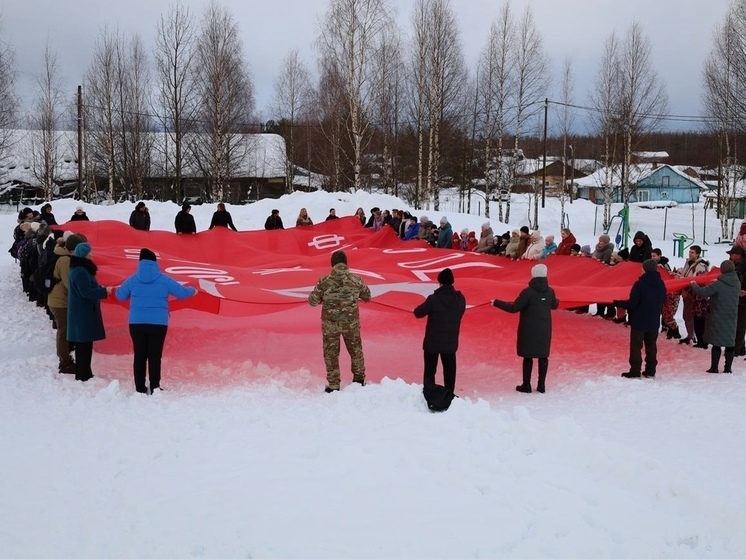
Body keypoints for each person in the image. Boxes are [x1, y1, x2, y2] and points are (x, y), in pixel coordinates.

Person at [115, 248, 197, 394]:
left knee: (139, 355)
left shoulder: (132, 279)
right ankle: (155, 387)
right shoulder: (164, 279)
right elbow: (182, 293)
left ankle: (139, 387)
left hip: (136, 323)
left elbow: (120, 296)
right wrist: (194, 290)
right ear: (155, 262)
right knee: (155, 355)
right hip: (158, 323)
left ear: (140, 262)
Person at [308, 250, 371, 392]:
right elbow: (367, 296)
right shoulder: (356, 280)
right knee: (355, 350)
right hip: (351, 323)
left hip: (330, 325)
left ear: (332, 264)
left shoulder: (324, 282)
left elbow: (312, 301)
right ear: (346, 263)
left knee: (331, 353)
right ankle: (359, 379)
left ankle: (334, 384)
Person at [491, 264, 559, 393]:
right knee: (543, 356)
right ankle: (541, 385)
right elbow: (554, 305)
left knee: (528, 356)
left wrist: (496, 302)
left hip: (529, 329)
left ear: (533, 275)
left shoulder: (527, 292)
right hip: (544, 328)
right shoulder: (550, 291)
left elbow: (513, 308)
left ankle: (526, 385)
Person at [413, 268, 466, 395]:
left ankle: (429, 393)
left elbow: (418, 313)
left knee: (430, 370)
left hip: (432, 343)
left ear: (440, 282)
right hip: (450, 343)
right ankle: (449, 394)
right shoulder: (460, 299)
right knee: (449, 370)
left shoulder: (433, 299)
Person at [614, 259, 667, 379]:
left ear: (644, 269)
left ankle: (635, 370)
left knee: (636, 347)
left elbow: (632, 303)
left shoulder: (640, 284)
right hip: (654, 320)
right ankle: (650, 370)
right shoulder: (661, 284)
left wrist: (618, 303)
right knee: (651, 346)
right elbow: (663, 299)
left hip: (639, 320)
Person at [67, 242, 112, 382]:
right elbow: (85, 292)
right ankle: (83, 374)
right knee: (83, 345)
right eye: (89, 253)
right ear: (83, 255)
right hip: (83, 313)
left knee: (84, 344)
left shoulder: (78, 269)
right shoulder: (80, 271)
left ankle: (85, 372)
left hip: (82, 311)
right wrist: (104, 291)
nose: (91, 254)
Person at [690, 260, 740, 374]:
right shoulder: (736, 282)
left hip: (718, 315)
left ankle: (714, 367)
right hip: (732, 315)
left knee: (716, 343)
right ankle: (728, 368)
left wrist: (693, 284)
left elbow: (703, 292)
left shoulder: (718, 284)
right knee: (730, 342)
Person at [48, 233, 86, 374]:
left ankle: (65, 358)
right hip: (60, 302)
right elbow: (69, 283)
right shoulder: (64, 260)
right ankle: (64, 362)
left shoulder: (62, 255)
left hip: (58, 299)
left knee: (65, 330)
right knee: (63, 332)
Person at [676, 245, 709, 346]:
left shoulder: (701, 265)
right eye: (689, 252)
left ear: (698, 254)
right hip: (686, 292)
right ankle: (690, 335)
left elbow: (697, 279)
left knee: (694, 316)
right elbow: (686, 274)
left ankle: (696, 336)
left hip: (694, 294)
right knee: (686, 315)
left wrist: (687, 287)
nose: (690, 254)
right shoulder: (688, 262)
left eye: (692, 252)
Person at [726, 245, 746, 356]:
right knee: (737, 325)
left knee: (739, 326)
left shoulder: (742, 268)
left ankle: (736, 350)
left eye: (731, 254)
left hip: (743, 301)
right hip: (737, 300)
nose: (730, 256)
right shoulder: (736, 266)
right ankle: (741, 348)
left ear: (738, 256)